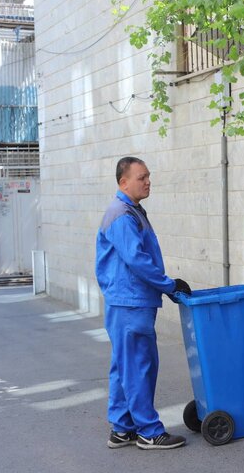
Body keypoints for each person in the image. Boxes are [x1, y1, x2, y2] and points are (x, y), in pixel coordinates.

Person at [95, 156, 192, 450]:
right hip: (130, 302)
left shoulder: (129, 211)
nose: (148, 181)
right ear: (123, 182)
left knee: (125, 366)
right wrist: (169, 285)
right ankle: (149, 431)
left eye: (149, 176)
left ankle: (122, 428)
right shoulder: (122, 215)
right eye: (142, 177)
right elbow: (137, 260)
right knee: (139, 367)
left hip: (127, 301)